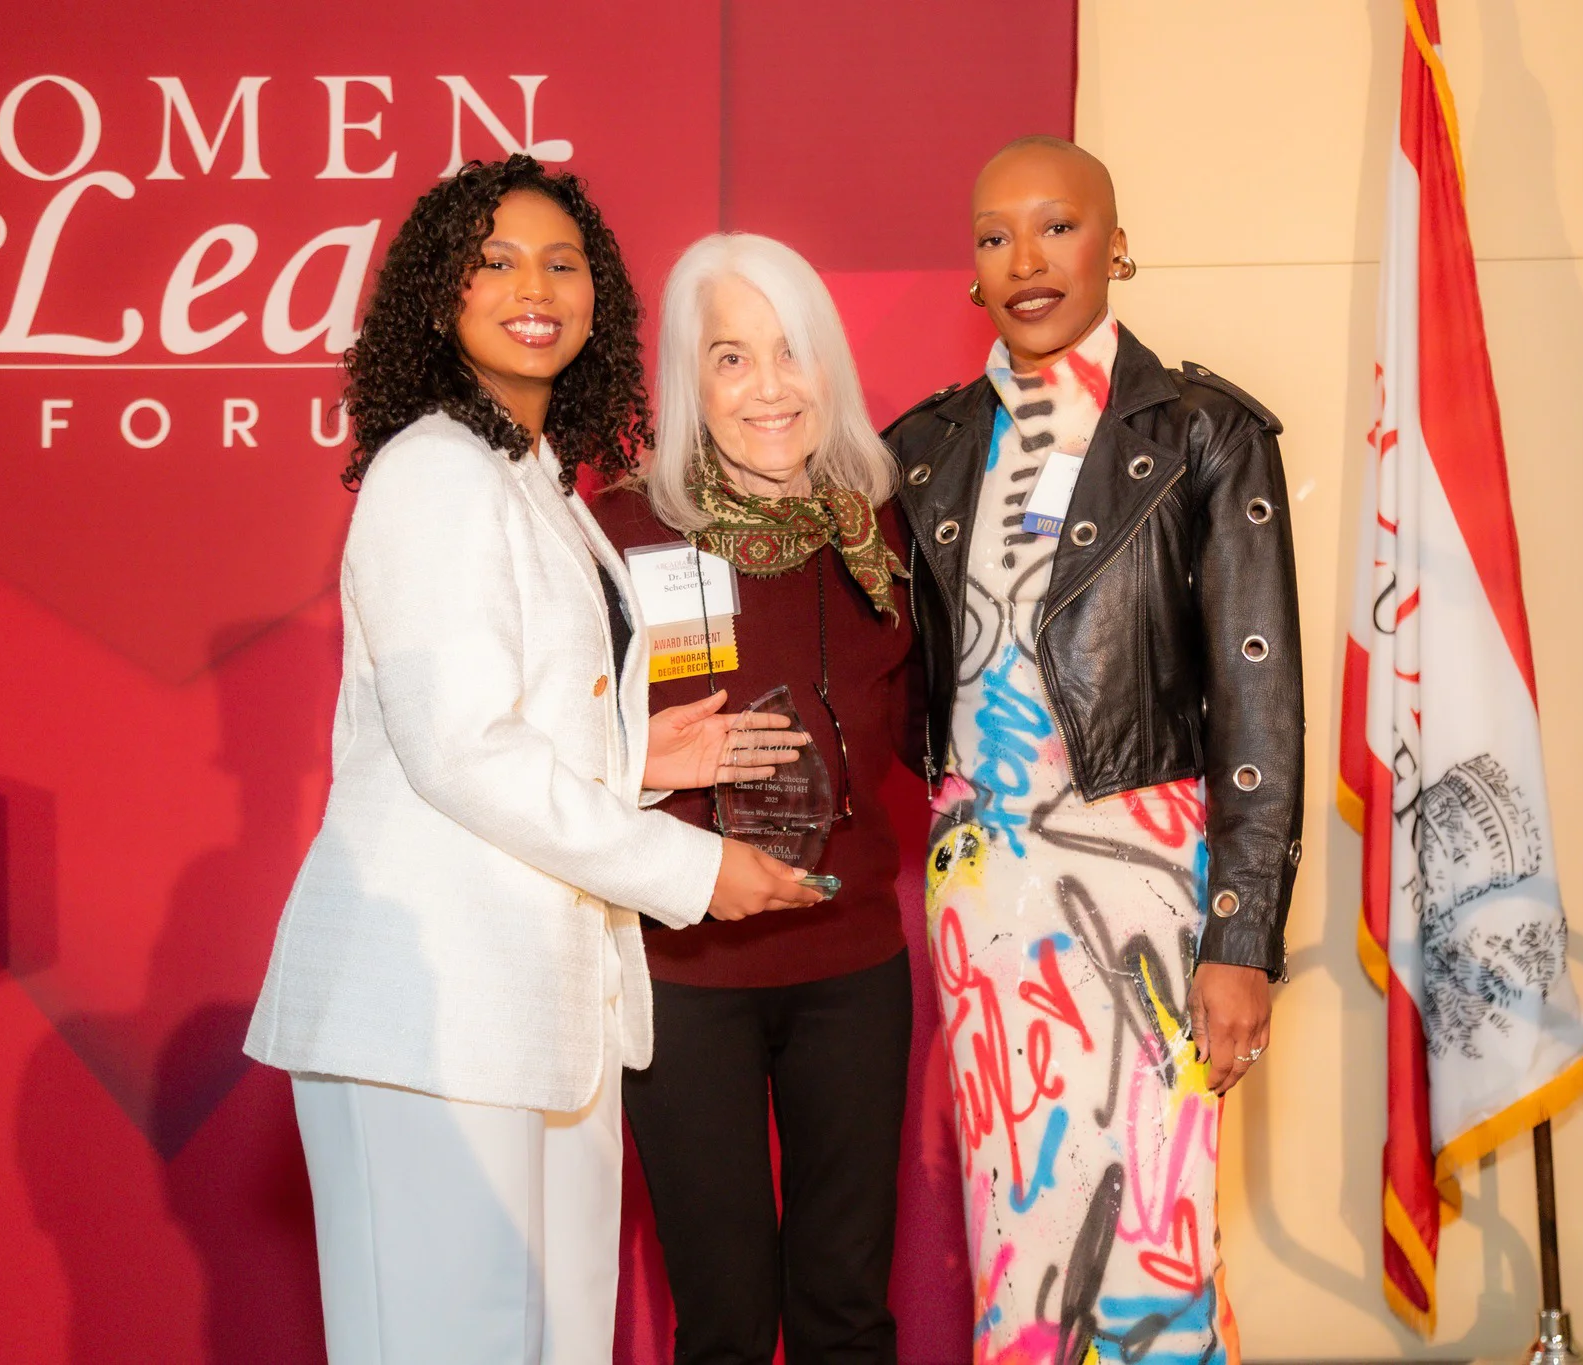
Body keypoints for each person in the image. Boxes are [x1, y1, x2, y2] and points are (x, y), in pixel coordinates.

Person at [243, 156, 821, 1365]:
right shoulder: (433, 470)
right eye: (495, 261)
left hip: (540, 1016)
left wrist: (640, 761)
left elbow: (517, 722)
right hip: (432, 1015)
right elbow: (458, 747)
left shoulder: (536, 478)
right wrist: (686, 865)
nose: (534, 286)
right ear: (437, 292)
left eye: (563, 263)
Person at [884, 136, 1304, 1365]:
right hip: (985, 893)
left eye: (1056, 228)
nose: (1025, 260)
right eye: (994, 236)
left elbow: (1258, 707)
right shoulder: (918, 451)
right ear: (970, 267)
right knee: (1015, 1223)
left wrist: (1240, 935)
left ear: (1114, 246)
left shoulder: (1205, 432)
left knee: (1151, 1236)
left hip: (1149, 887)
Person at [593, 232, 918, 1365]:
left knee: (846, 1312)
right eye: (731, 358)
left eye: (791, 351)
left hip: (853, 966)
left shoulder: (880, 530)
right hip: (687, 973)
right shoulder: (621, 532)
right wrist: (644, 767)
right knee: (725, 1320)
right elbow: (548, 756)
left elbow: (933, 720)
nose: (769, 387)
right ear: (689, 379)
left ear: (829, 365)